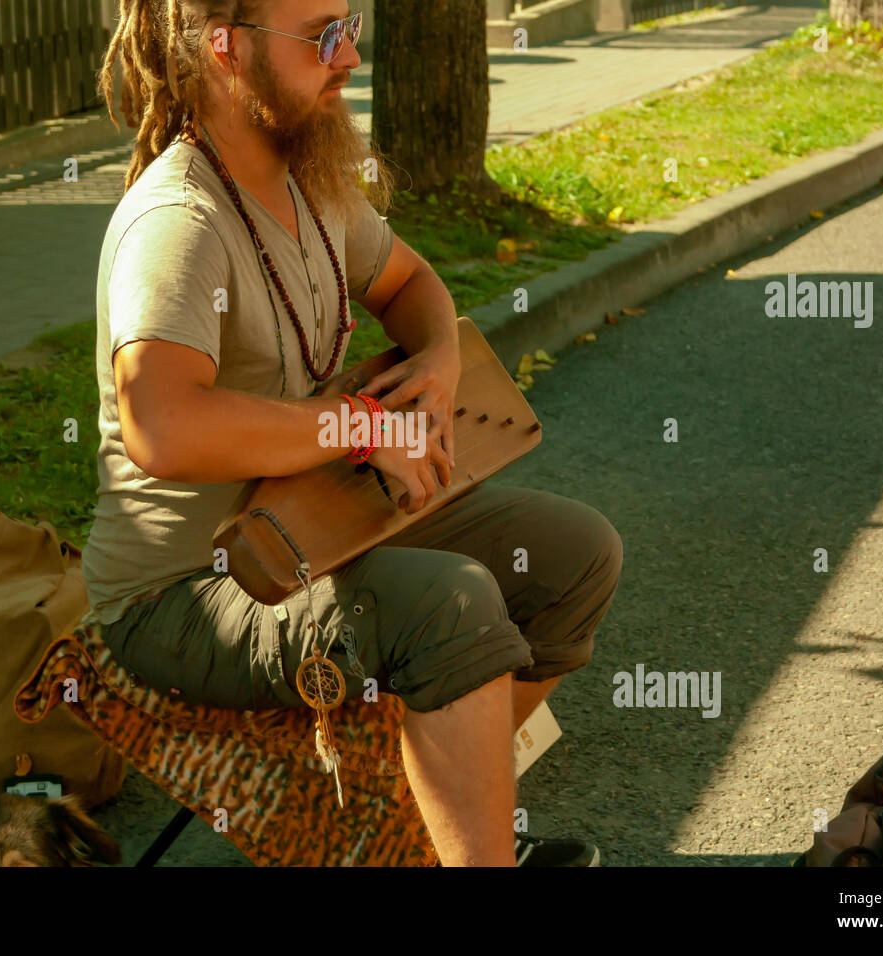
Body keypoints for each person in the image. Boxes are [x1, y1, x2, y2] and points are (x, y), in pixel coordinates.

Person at [84, 0, 624, 867]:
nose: (348, 56)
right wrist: (362, 426)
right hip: (188, 589)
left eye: (353, 27)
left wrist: (440, 359)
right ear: (226, 48)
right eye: (322, 35)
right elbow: (163, 424)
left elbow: (413, 283)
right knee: (450, 605)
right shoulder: (179, 225)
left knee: (577, 554)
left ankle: (412, 825)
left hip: (316, 523)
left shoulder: (309, 178)